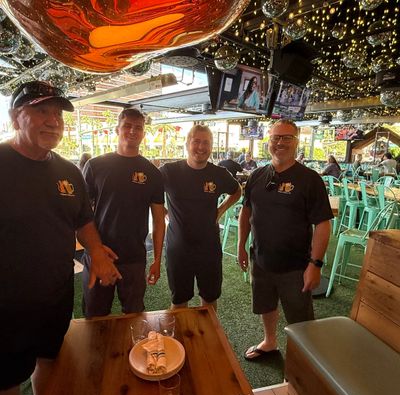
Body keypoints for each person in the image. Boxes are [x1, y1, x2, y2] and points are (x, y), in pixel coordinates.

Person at [0, 81, 121, 395]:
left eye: (58, 114)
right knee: (7, 381)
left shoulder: (69, 172)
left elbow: (83, 220)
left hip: (56, 295)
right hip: (7, 305)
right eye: (41, 111)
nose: (53, 121)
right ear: (15, 118)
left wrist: (97, 252)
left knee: (50, 360)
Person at [238, 119, 333, 360]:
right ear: (268, 141)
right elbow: (246, 212)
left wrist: (315, 264)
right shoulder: (257, 175)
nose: (280, 142)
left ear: (296, 141)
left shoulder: (310, 179)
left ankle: (300, 363)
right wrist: (241, 246)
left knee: (300, 320)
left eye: (287, 137)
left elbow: (323, 224)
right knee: (266, 304)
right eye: (276, 137)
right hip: (261, 259)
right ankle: (270, 342)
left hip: (296, 266)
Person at [81, 108, 165, 317]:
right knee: (95, 316)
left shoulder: (152, 173)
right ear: (117, 129)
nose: (132, 131)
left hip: (134, 257)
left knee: (134, 316)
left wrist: (157, 259)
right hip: (99, 254)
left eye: (138, 127)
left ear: (143, 133)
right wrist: (94, 249)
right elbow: (81, 214)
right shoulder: (95, 166)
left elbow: (158, 220)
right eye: (127, 126)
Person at [160, 125, 242, 311]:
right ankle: (181, 332)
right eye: (196, 141)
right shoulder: (169, 171)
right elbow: (149, 193)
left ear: (211, 146)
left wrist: (221, 210)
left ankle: (208, 331)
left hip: (209, 247)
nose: (201, 147)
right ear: (187, 144)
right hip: (178, 248)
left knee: (209, 299)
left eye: (206, 142)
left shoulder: (219, 173)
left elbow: (237, 191)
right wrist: (164, 213)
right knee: (179, 301)